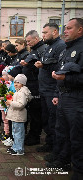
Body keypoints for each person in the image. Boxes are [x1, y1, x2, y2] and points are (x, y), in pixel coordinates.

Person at [48, 18, 83, 179]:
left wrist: (65, 80)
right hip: (63, 97)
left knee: (77, 137)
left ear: (80, 30)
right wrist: (57, 93)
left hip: (77, 99)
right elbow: (60, 72)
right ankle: (63, 160)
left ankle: (79, 171)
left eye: (69, 28)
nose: (65, 31)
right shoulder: (66, 49)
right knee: (62, 132)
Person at [34, 23, 66, 154]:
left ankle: (55, 148)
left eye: (45, 32)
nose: (43, 35)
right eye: (42, 33)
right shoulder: (48, 47)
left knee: (53, 121)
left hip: (52, 90)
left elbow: (59, 67)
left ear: (54, 32)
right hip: (44, 89)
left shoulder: (60, 46)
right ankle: (49, 143)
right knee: (46, 119)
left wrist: (44, 65)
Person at [21, 30, 47, 146]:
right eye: (26, 42)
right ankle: (32, 134)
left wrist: (30, 66)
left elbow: (43, 68)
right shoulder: (35, 50)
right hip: (31, 84)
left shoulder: (43, 49)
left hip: (37, 85)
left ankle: (35, 136)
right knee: (32, 111)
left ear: (36, 39)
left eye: (29, 41)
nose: (28, 43)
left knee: (36, 112)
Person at [6, 74, 32, 155]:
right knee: (15, 132)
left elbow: (21, 104)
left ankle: (19, 149)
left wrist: (11, 102)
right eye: (15, 82)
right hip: (15, 116)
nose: (16, 84)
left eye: (18, 82)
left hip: (19, 116)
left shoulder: (22, 93)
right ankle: (15, 147)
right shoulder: (18, 91)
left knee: (18, 133)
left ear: (23, 83)